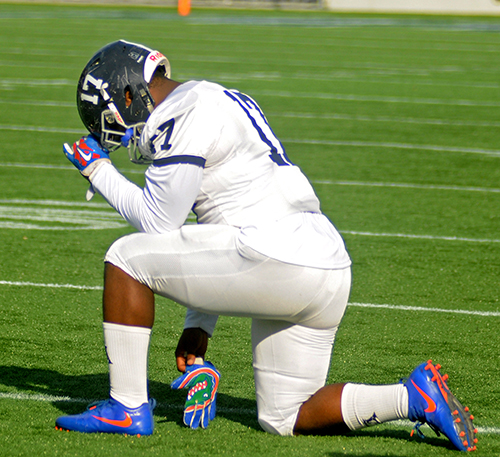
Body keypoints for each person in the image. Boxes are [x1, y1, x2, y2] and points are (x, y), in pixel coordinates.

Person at [55, 40, 477, 451]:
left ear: (128, 95)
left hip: (278, 256)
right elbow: (217, 227)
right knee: (284, 417)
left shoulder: (182, 112)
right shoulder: (217, 98)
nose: (118, 134)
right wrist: (198, 327)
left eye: (107, 119)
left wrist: (98, 172)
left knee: (125, 258)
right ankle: (413, 398)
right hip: (323, 262)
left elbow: (157, 221)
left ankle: (126, 407)